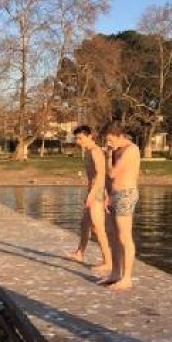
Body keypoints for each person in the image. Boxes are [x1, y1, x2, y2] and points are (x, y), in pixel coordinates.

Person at [99, 121, 141, 291]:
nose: (108, 144)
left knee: (124, 236)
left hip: (126, 195)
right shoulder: (117, 150)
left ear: (119, 136)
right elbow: (111, 179)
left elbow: (112, 172)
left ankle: (127, 277)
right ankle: (116, 272)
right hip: (115, 195)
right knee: (114, 236)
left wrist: (108, 156)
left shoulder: (131, 150)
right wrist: (107, 196)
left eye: (110, 140)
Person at [65, 125, 113, 275]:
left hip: (97, 194)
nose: (78, 141)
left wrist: (94, 195)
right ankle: (80, 253)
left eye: (80, 138)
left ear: (90, 136)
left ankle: (108, 262)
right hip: (92, 192)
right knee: (85, 224)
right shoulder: (87, 152)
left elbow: (100, 175)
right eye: (76, 138)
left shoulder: (95, 152)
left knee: (98, 229)